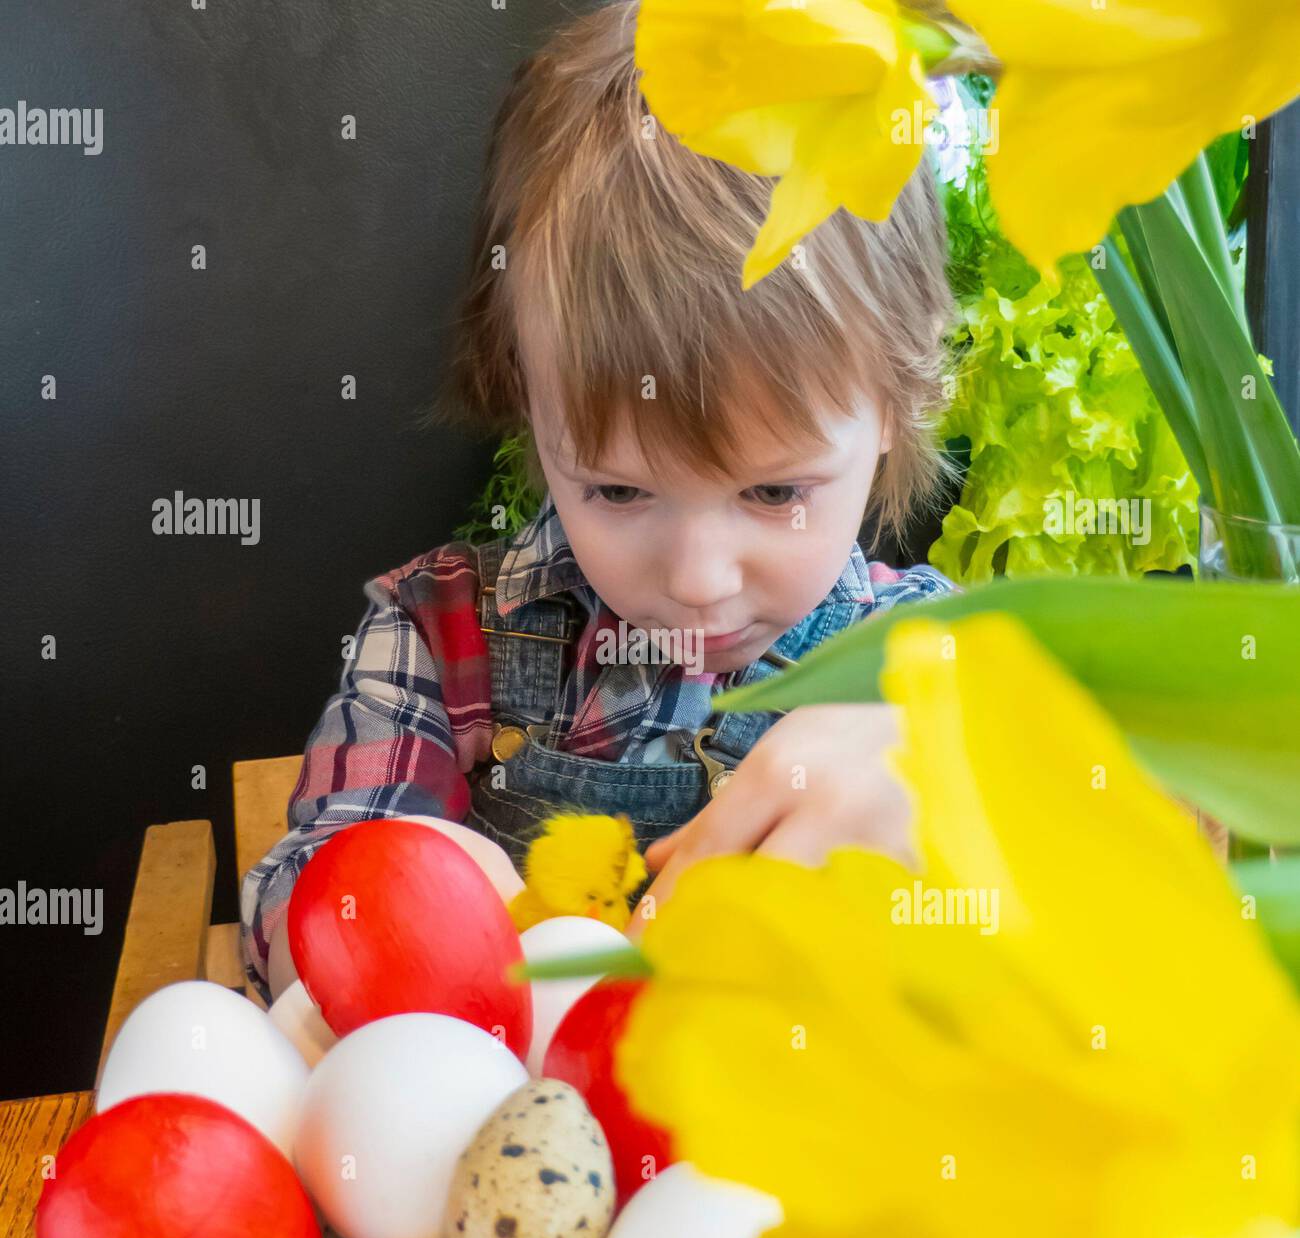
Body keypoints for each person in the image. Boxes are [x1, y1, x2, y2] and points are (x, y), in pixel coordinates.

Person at [240, 1, 958, 1000]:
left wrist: (944, 789)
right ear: (524, 403)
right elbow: (292, 923)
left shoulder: (939, 664)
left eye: (773, 490)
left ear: (899, 400)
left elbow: (1085, 937)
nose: (699, 579)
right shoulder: (438, 646)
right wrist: (418, 907)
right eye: (619, 488)